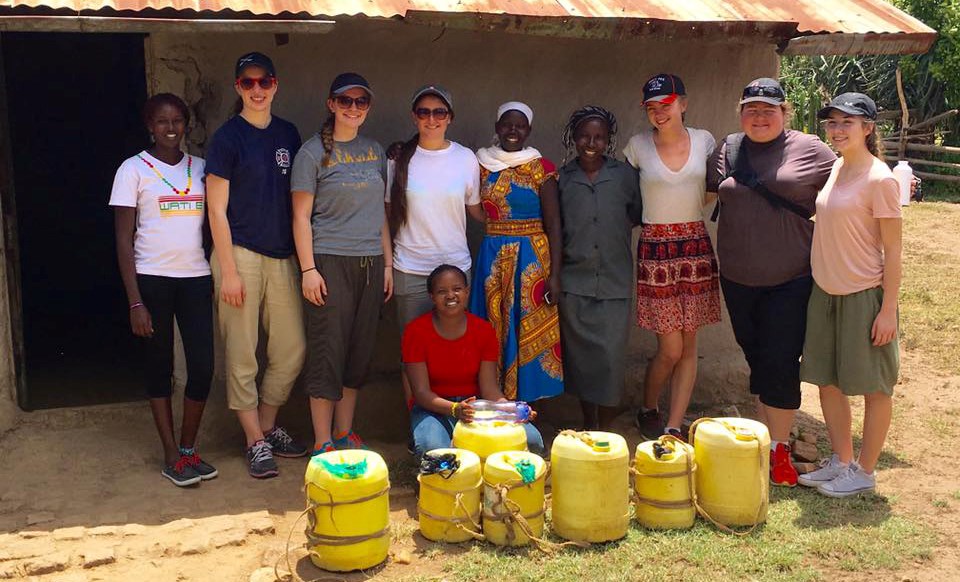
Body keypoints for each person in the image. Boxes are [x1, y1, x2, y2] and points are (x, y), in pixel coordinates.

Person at [706, 78, 837, 487]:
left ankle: (779, 452)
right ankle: (770, 443)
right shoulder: (727, 149)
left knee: (780, 361)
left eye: (769, 110)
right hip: (737, 277)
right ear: (740, 112)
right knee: (757, 359)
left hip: (790, 278)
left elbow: (850, 185)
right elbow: (711, 193)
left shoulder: (811, 149)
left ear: (786, 112)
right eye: (752, 109)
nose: (759, 117)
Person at [206, 52, 308, 479]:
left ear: (275, 84)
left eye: (263, 81)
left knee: (291, 349)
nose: (257, 90)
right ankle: (253, 440)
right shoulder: (227, 138)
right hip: (240, 253)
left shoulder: (288, 133)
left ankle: (266, 424)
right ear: (238, 88)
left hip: (282, 254)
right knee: (242, 352)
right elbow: (216, 209)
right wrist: (228, 269)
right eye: (248, 83)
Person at [797, 93, 902, 497]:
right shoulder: (838, 166)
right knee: (826, 381)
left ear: (869, 128)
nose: (838, 130)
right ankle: (842, 460)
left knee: (876, 387)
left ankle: (866, 470)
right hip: (824, 290)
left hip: (863, 293)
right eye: (832, 123)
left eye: (847, 123)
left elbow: (893, 249)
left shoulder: (881, 179)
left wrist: (887, 309)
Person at [110, 93, 216, 487]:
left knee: (203, 366)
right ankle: (171, 453)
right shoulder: (132, 170)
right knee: (160, 367)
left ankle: (189, 450)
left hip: (195, 278)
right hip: (151, 280)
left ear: (185, 124)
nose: (170, 129)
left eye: (176, 121)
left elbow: (213, 224)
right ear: (149, 126)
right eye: (161, 122)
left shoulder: (202, 168)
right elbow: (123, 240)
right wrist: (135, 300)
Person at [291, 73, 393, 456]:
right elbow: (300, 216)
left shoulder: (375, 151)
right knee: (328, 350)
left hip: (371, 261)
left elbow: (380, 212)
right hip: (329, 261)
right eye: (345, 101)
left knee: (358, 351)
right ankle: (322, 441)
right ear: (331, 104)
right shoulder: (311, 153)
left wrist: (386, 264)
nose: (353, 108)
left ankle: (345, 431)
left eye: (361, 102)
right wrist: (308, 269)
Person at [623, 74, 721, 441]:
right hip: (656, 250)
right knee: (671, 347)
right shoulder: (637, 147)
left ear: (683, 103)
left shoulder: (704, 141)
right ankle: (648, 405)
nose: (659, 112)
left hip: (694, 245)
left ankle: (673, 424)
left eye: (666, 104)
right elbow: (629, 197)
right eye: (651, 107)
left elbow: (709, 189)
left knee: (690, 344)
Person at [387, 85, 483, 407]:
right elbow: (386, 216)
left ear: (450, 118)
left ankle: (453, 419)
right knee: (413, 354)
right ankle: (419, 426)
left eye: (439, 112)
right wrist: (388, 265)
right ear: (414, 117)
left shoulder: (465, 158)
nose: (432, 119)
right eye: (424, 112)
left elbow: (477, 210)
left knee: (454, 348)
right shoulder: (399, 160)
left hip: (455, 267)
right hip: (411, 268)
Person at [470, 101, 563, 403]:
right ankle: (495, 404)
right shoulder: (479, 165)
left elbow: (554, 223)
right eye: (507, 124)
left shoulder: (541, 167)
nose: (513, 130)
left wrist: (555, 276)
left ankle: (528, 412)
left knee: (525, 334)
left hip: (532, 261)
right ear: (497, 128)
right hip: (493, 258)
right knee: (492, 330)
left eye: (520, 125)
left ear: (529, 131)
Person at [557, 106, 643, 430]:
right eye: (584, 136)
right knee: (581, 363)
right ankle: (587, 422)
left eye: (599, 137)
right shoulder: (563, 179)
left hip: (613, 281)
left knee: (610, 361)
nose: (591, 142)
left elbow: (636, 211)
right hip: (574, 283)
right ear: (573, 138)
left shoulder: (623, 175)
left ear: (608, 141)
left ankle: (603, 428)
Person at [403, 265, 544, 457]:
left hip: (475, 410)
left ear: (467, 292)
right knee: (435, 451)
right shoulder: (416, 332)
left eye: (457, 289)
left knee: (532, 440)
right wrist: (454, 409)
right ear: (432, 297)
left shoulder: (483, 331)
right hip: (433, 409)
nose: (451, 296)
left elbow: (489, 389)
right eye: (442, 291)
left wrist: (512, 410)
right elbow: (420, 393)